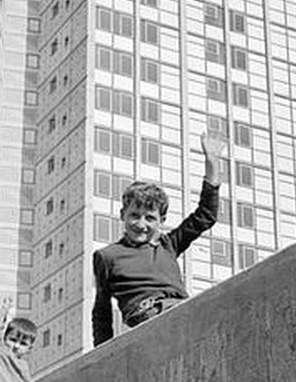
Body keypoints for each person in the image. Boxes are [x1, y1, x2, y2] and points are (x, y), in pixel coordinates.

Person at [92, 132, 226, 345]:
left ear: (161, 220)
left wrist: (212, 162)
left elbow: (206, 216)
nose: (141, 224)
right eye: (134, 216)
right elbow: (102, 309)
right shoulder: (107, 256)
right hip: (146, 312)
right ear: (122, 215)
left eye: (150, 218)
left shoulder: (168, 244)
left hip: (180, 308)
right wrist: (100, 355)